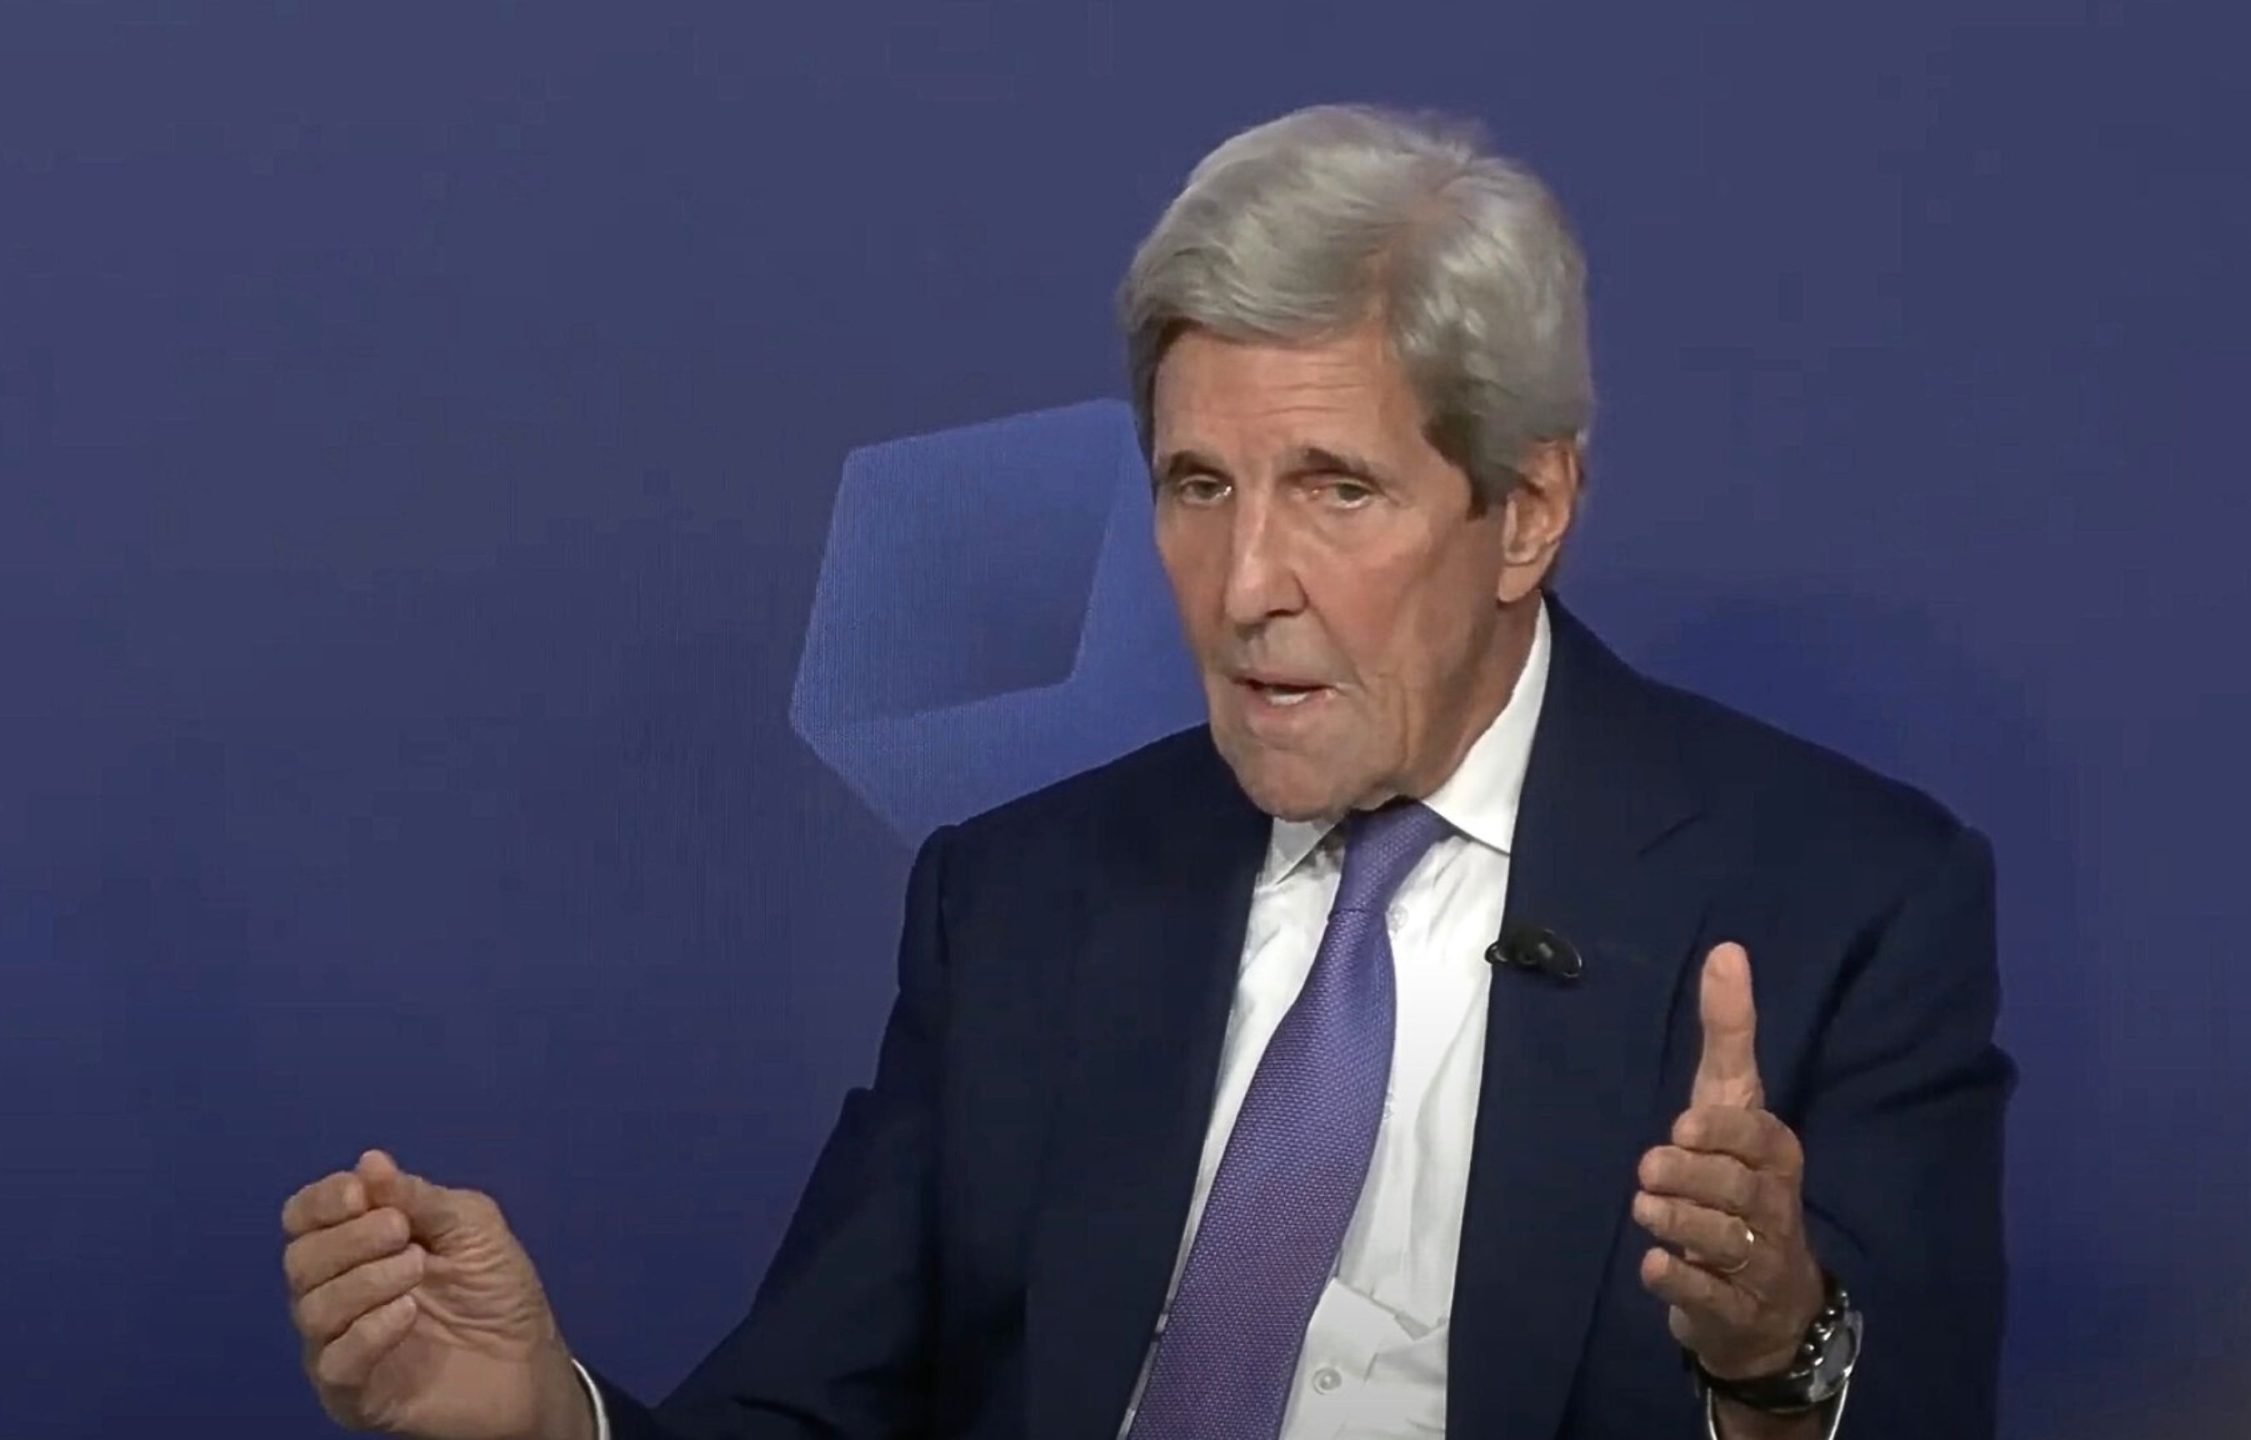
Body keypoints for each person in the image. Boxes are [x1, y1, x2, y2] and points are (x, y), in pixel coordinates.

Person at [280, 103, 2012, 1440]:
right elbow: (805, 1406)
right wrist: (546, 1418)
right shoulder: (1019, 900)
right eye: (1198, 487)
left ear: (1528, 512)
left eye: (1337, 488)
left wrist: (1782, 1355)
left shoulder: (1837, 900)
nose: (1247, 582)